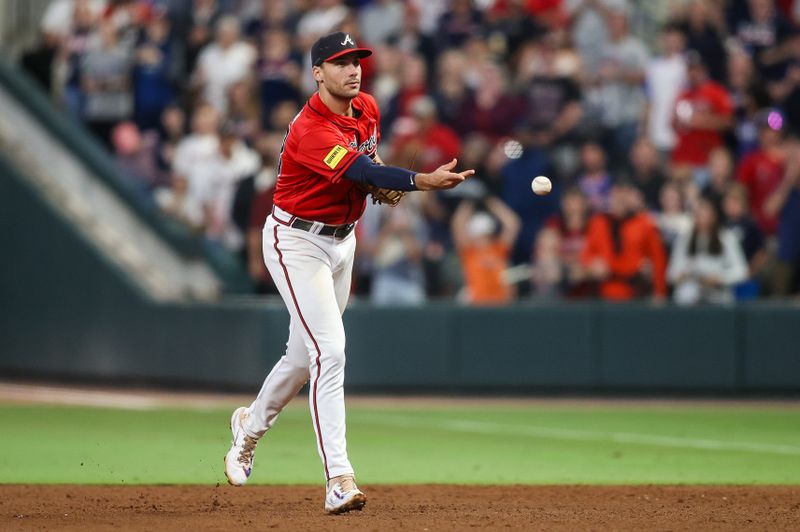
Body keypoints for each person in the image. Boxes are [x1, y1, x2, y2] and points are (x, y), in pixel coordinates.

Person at [223, 32, 474, 514]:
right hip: (296, 242)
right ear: (318, 73)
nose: (353, 69)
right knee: (331, 351)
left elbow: (370, 161)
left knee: (303, 356)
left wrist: (383, 173)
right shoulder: (309, 129)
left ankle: (248, 428)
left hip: (343, 242)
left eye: (356, 60)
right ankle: (339, 478)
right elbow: (360, 172)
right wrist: (420, 180)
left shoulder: (368, 108)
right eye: (340, 63)